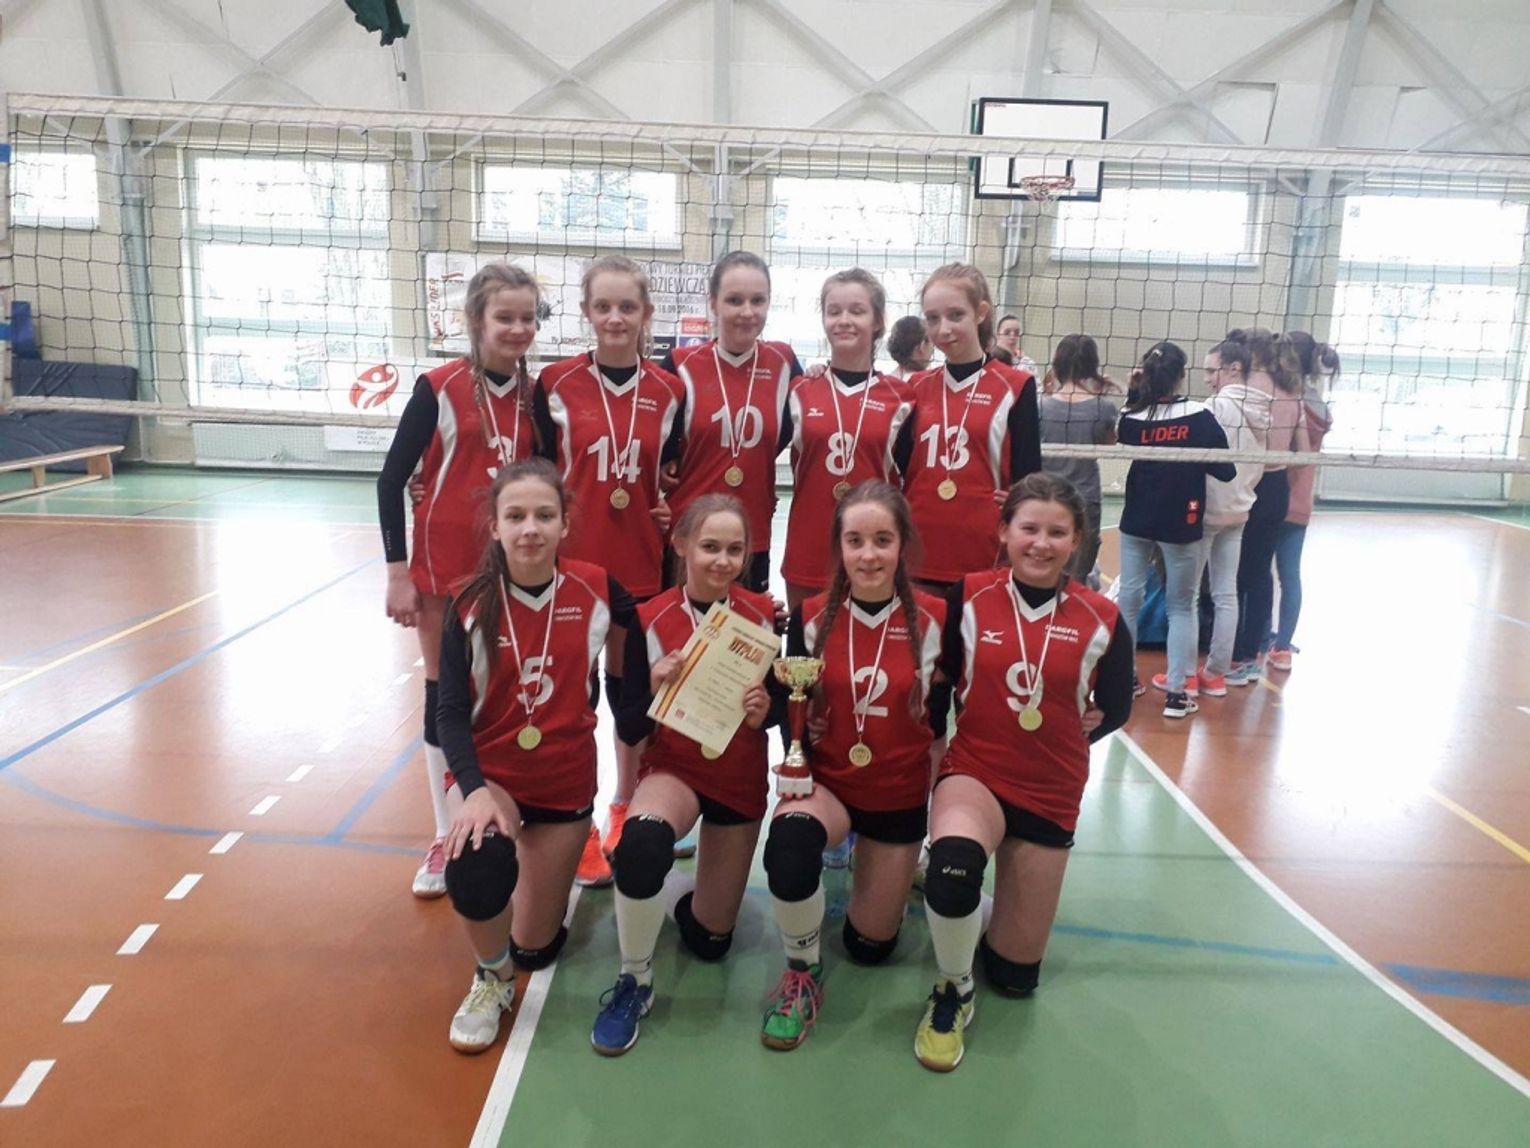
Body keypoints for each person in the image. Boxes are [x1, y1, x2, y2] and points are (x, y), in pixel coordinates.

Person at [914, 472, 1133, 1072]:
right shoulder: (968, 596)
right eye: (1029, 528)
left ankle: (991, 909)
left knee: (1014, 976)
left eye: (1057, 533)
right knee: (954, 869)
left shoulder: (1102, 617)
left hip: (1051, 789)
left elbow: (1116, 707)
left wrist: (1068, 730)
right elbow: (936, 680)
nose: (1041, 543)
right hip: (975, 772)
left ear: (1077, 540)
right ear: (1005, 532)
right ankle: (953, 987)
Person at [434, 458, 635, 1054]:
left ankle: (530, 914)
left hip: (563, 782)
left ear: (565, 524)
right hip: (491, 776)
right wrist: (472, 790)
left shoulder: (597, 588)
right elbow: (447, 714)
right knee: (476, 863)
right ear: (494, 526)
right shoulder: (468, 602)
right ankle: (491, 977)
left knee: (536, 949)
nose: (530, 528)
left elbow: (661, 630)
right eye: (515, 516)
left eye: (544, 515)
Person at [589, 495, 780, 1055]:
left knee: (711, 942)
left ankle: (685, 898)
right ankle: (634, 978)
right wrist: (652, 684)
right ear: (681, 546)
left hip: (739, 774)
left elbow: (780, 708)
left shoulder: (764, 616)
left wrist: (765, 710)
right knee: (643, 846)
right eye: (710, 547)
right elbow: (628, 724)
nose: (722, 560)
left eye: (734, 549)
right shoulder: (647, 617)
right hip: (674, 769)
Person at [761, 481, 947, 1050]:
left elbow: (961, 706)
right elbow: (789, 701)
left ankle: (892, 876)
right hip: (831, 786)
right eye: (855, 540)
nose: (868, 555)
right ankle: (802, 970)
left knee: (869, 949)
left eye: (882, 540)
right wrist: (794, 736)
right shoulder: (810, 616)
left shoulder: (939, 619)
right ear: (838, 546)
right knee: (788, 849)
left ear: (902, 544)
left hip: (897, 795)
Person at [377, 262, 541, 898]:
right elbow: (392, 479)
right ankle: (446, 832)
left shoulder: (536, 395)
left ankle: (510, 815)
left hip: (513, 569)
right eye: (505, 317)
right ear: (476, 320)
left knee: (509, 693)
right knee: (445, 693)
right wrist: (397, 573)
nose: (518, 328)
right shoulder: (438, 387)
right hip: (444, 572)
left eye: (528, 318)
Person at [536, 255, 685, 885]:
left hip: (639, 568)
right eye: (604, 306)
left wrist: (671, 504)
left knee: (631, 698)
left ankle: (625, 804)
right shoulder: (555, 383)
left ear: (646, 313)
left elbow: (675, 471)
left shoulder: (670, 391)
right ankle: (580, 820)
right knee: (575, 699)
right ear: (587, 312)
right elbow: (535, 469)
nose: (616, 318)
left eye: (628, 306)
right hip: (571, 569)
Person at [661, 251, 802, 594]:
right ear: (713, 303)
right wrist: (664, 468)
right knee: (685, 627)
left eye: (758, 300)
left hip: (750, 535)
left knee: (744, 628)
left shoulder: (784, 363)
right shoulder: (679, 364)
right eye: (734, 300)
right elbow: (656, 442)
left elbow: (792, 429)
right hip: (690, 535)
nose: (747, 312)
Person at [1112, 342, 1236, 718]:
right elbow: (1226, 471)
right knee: (1181, 605)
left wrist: (1135, 392)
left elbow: (1124, 431)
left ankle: (1124, 681)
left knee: (1128, 600)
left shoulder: (1132, 416)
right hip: (1181, 521)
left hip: (1137, 519)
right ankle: (1177, 695)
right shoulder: (1199, 416)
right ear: (1182, 374)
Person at [780, 269, 915, 608]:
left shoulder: (902, 397)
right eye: (834, 311)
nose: (844, 320)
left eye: (857, 311)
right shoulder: (800, 389)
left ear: (878, 321)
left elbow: (916, 479)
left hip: (873, 553)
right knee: (805, 642)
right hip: (809, 547)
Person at [903, 264, 1042, 592]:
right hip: (920, 547)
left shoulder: (1016, 386)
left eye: (955, 315)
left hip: (986, 551)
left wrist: (1021, 500)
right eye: (932, 318)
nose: (943, 329)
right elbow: (899, 466)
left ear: (980, 313)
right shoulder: (916, 386)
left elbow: (1029, 476)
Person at [1171, 337, 1266, 699]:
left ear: (1234, 369)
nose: (1208, 379)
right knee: (1226, 592)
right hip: (1240, 509)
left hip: (1210, 509)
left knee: (1189, 594)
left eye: (1212, 371)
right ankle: (1215, 674)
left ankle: (1186, 677)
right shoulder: (1264, 408)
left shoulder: (1215, 407)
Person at [1225, 330, 1311, 686]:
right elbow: (1305, 452)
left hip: (1247, 483)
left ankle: (1228, 654)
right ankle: (1250, 656)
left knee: (1230, 573)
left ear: (1250, 354)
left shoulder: (1244, 387)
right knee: (1260, 574)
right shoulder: (1293, 392)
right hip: (1276, 488)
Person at [1268, 331, 1336, 672]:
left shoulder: (1287, 401)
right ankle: (1282, 646)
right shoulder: (1319, 403)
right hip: (1300, 501)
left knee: (1258, 573)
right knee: (1289, 575)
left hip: (1275, 493)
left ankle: (1257, 639)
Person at [1037, 333, 1118, 588]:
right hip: (1085, 500)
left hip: (1045, 498)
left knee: (1042, 573)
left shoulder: (1040, 406)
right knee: (1077, 581)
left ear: (1057, 363)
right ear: (1092, 365)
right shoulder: (1103, 408)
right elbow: (1108, 445)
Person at [886, 315, 932, 379]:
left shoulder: (888, 380)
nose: (932, 349)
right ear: (922, 345)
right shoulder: (929, 381)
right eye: (931, 343)